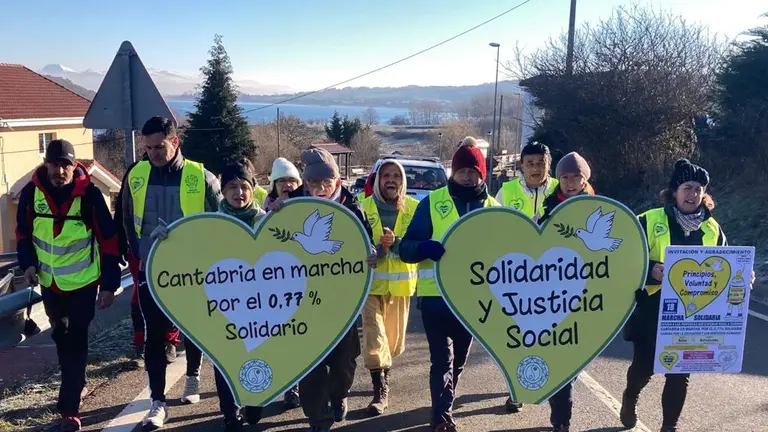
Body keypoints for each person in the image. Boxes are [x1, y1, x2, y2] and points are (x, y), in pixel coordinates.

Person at [620, 158, 755, 432]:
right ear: (674, 191)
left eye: (698, 189)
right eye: (687, 187)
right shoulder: (648, 220)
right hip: (652, 309)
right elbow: (622, 260)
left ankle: (669, 426)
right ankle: (630, 395)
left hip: (692, 316)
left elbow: (724, 267)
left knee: (679, 374)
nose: (693, 194)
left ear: (704, 194)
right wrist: (649, 271)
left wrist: (743, 276)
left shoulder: (713, 229)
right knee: (643, 369)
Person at [120, 116, 222, 430]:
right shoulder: (136, 175)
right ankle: (157, 402)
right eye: (148, 147)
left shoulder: (199, 176)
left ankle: (192, 376)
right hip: (152, 269)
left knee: (193, 329)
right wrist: (136, 251)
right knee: (154, 336)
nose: (153, 153)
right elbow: (125, 216)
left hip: (192, 270)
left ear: (174, 142)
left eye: (159, 146)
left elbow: (220, 221)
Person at [15, 139, 121, 432]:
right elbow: (23, 234)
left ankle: (69, 408)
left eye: (66, 165)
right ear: (46, 164)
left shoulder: (90, 196)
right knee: (61, 337)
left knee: (75, 338)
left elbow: (109, 242)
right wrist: (28, 265)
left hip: (84, 284)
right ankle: (77, 382)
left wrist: (110, 285)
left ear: (75, 166)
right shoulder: (30, 193)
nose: (60, 170)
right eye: (55, 164)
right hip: (50, 283)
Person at [271, 148, 377, 432]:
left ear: (337, 182)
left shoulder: (352, 208)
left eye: (325, 184)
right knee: (308, 361)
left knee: (344, 360)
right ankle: (318, 417)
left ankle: (339, 394)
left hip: (342, 301)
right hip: (302, 302)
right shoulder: (289, 206)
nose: (319, 189)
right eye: (314, 184)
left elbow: (366, 247)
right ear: (305, 183)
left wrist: (372, 255)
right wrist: (273, 213)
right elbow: (269, 242)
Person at [399, 137, 500, 432]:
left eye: (474, 171)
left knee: (459, 361)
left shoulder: (494, 208)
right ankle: (441, 417)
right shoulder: (433, 202)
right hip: (436, 299)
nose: (468, 176)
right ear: (452, 172)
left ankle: (445, 402)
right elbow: (406, 248)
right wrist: (423, 248)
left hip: (474, 301)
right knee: (442, 360)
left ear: (482, 174)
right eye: (462, 171)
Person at [538, 151, 595, 432]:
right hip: (554, 298)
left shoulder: (600, 209)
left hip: (588, 299)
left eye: (576, 177)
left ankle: (562, 417)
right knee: (559, 358)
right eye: (565, 177)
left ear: (585, 179)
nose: (570, 183)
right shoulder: (548, 210)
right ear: (558, 180)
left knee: (573, 362)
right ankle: (561, 419)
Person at [359, 160, 419, 416]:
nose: (391, 180)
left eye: (396, 176)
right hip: (370, 285)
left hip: (401, 287)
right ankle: (379, 390)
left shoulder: (415, 208)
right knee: (375, 338)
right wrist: (374, 250)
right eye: (386, 175)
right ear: (377, 180)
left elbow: (421, 242)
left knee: (392, 345)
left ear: (402, 182)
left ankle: (384, 372)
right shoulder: (362, 207)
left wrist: (396, 243)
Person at [214, 159, 266, 430]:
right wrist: (168, 240)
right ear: (223, 191)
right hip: (225, 305)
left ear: (253, 188)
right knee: (225, 359)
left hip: (261, 307)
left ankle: (254, 400)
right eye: (232, 187)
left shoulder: (266, 223)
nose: (239, 193)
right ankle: (229, 412)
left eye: (244, 186)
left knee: (257, 354)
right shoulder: (211, 224)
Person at [115, 157, 181, 370]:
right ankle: (141, 343)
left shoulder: (181, 172)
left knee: (172, 296)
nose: (155, 153)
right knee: (140, 299)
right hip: (141, 249)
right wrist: (122, 242)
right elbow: (123, 209)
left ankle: (170, 341)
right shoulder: (135, 171)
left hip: (174, 247)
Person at [261, 157, 303, 408]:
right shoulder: (264, 209)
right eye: (282, 181)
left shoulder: (308, 205)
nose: (287, 185)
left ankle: (296, 387)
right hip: (274, 286)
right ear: (274, 185)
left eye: (292, 180)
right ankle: (285, 384)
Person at [496, 142, 559, 224]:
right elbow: (496, 223)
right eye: (530, 164)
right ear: (522, 167)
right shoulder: (505, 191)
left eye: (541, 163)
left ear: (549, 165)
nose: (535, 169)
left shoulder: (559, 188)